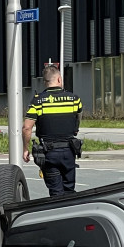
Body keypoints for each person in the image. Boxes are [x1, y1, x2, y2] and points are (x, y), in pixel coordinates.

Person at [22, 63, 83, 196]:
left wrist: (25, 149)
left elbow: (27, 128)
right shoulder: (74, 99)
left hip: (49, 153)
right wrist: (75, 129)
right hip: (69, 151)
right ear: (59, 79)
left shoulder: (38, 102)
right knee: (69, 191)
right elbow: (78, 116)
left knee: (56, 193)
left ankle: (58, 214)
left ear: (45, 82)